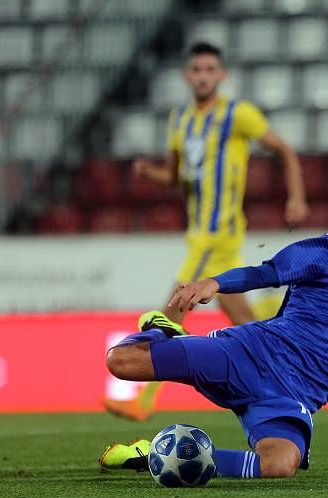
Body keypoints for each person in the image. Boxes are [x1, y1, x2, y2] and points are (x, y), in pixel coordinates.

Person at [100, 196, 328, 478]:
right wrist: (214, 284)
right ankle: (162, 330)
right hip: (246, 355)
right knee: (120, 361)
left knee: (279, 465)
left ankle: (161, 455)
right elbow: (266, 273)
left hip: (288, 400)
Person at [103, 41, 309, 421]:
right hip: (203, 234)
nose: (203, 76)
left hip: (218, 234)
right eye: (196, 69)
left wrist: (296, 196)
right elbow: (177, 175)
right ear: (187, 76)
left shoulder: (238, 114)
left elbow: (284, 150)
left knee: (172, 311)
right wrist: (151, 173)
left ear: (222, 75)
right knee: (249, 326)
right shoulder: (180, 120)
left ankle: (143, 401)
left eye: (210, 69)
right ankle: (289, 382)